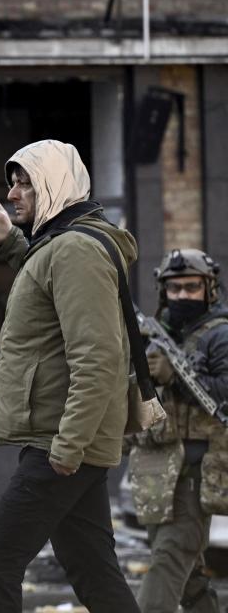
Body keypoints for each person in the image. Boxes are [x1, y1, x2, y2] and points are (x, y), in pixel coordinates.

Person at [0, 139, 140, 612]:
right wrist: (11, 243)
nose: (13, 192)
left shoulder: (75, 251)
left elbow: (98, 356)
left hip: (61, 440)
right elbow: (49, 290)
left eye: (26, 182)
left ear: (56, 185)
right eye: (13, 181)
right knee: (92, 568)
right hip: (65, 438)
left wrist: (68, 446)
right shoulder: (61, 246)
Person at [128, 249, 228, 613]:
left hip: (197, 471)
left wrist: (178, 376)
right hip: (155, 470)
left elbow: (224, 398)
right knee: (187, 577)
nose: (183, 295)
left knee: (169, 561)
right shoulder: (153, 334)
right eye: (175, 289)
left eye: (191, 287)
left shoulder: (220, 336)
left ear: (209, 289)